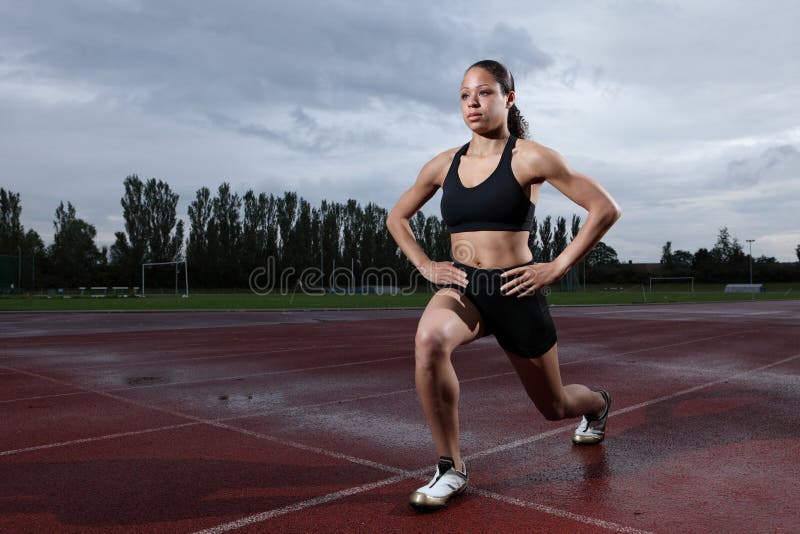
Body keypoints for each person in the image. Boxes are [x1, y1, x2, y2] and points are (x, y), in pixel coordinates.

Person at [385, 59, 621, 511]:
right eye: (464, 95)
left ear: (509, 99)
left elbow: (604, 208)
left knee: (554, 406)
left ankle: (597, 403)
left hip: (517, 291)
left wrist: (556, 266)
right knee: (430, 339)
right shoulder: (442, 164)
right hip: (463, 288)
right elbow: (397, 217)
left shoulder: (530, 157)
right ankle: (449, 466)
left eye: (485, 92)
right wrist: (426, 265)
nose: (473, 102)